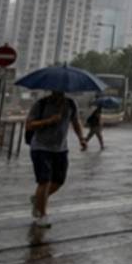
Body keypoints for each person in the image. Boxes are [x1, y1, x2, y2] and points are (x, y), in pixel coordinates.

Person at [26, 91, 87, 227]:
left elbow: (76, 122)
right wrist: (49, 121)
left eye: (61, 90)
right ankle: (42, 215)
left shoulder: (71, 104)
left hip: (60, 149)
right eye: (55, 90)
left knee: (59, 181)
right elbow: (29, 125)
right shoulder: (41, 104)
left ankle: (38, 199)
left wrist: (81, 139)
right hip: (41, 147)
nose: (58, 92)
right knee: (45, 181)